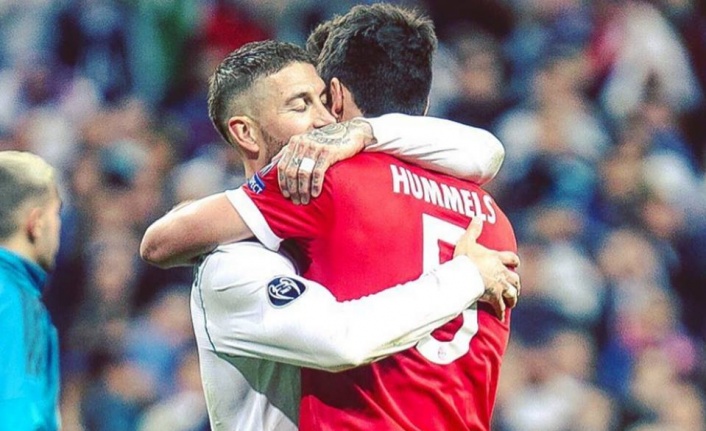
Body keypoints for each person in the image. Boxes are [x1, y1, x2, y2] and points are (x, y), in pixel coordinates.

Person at [143, 4, 521, 430]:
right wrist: (468, 276)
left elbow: (487, 151)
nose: (325, 120)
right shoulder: (493, 219)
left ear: (338, 97)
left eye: (324, 101)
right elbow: (341, 340)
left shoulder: (341, 186)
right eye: (302, 104)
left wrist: (365, 131)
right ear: (245, 132)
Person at [0, 151, 62, 431]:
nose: (58, 225)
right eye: (56, 213)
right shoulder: (15, 302)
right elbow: (17, 418)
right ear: (35, 222)